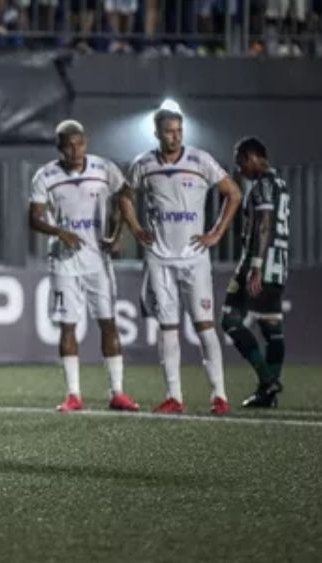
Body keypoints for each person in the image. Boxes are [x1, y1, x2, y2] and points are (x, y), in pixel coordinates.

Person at [118, 98, 241, 416]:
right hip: (160, 259)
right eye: (169, 132)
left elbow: (234, 193)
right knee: (168, 328)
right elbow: (125, 196)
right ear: (157, 133)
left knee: (204, 327)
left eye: (178, 130)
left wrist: (216, 232)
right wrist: (134, 227)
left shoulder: (200, 160)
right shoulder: (144, 164)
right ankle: (174, 396)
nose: (175, 136)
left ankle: (219, 395)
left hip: (194, 259)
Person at [29, 120, 140, 413]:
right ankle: (73, 394)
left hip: (97, 262)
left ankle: (117, 392)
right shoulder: (46, 176)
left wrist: (118, 234)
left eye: (80, 143)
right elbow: (34, 217)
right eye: (69, 145)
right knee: (68, 325)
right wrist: (59, 233)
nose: (76, 150)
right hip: (64, 263)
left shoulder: (104, 169)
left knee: (108, 322)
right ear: (60, 147)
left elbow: (126, 194)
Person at [222, 137, 289, 408]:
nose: (239, 168)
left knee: (229, 320)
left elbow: (263, 225)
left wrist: (256, 266)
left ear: (252, 156)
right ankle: (268, 394)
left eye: (241, 161)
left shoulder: (262, 186)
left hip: (258, 263)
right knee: (272, 328)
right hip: (279, 264)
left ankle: (267, 381)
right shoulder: (280, 184)